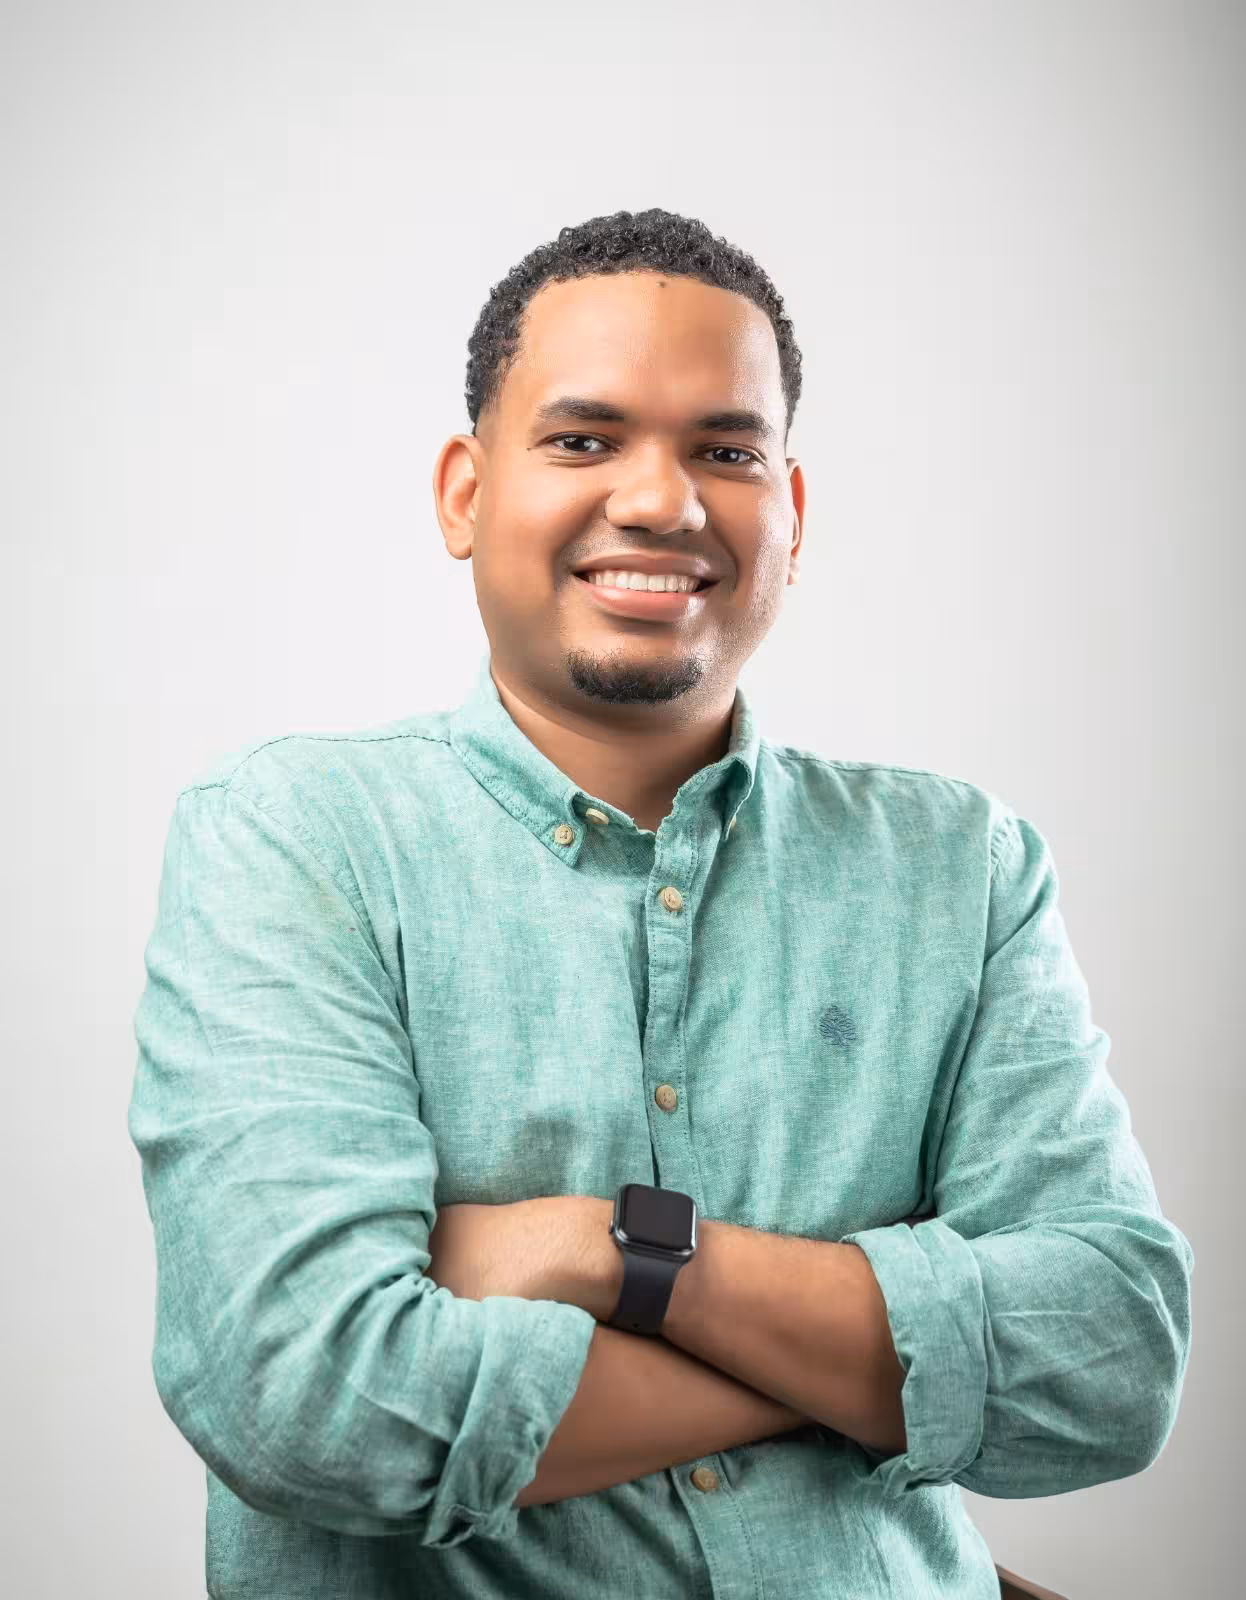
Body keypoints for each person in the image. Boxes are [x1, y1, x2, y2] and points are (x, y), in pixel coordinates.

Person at [128, 207, 1194, 1599]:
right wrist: (868, 1367)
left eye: (726, 452)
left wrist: (615, 1255)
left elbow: (1111, 1359)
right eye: (584, 439)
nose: (660, 501)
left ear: (791, 514)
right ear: (463, 494)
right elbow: (311, 1401)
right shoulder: (295, 836)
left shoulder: (962, 867)